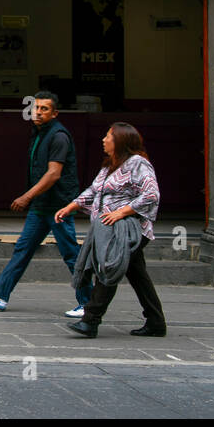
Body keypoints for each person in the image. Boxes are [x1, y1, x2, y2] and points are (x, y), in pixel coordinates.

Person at [0, 91, 91, 315]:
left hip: (57, 206)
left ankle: (89, 304)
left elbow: (54, 174)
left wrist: (26, 196)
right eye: (36, 108)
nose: (38, 112)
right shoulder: (39, 133)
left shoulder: (58, 136)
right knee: (23, 249)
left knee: (71, 254)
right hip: (42, 205)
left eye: (44, 109)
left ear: (54, 113)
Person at [58, 122, 166, 338]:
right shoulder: (110, 165)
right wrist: (72, 206)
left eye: (108, 136)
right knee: (137, 275)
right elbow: (94, 191)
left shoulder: (138, 164)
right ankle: (156, 322)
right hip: (108, 230)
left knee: (109, 268)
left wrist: (122, 212)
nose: (104, 140)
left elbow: (151, 194)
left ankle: (90, 320)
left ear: (121, 141)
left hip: (129, 230)